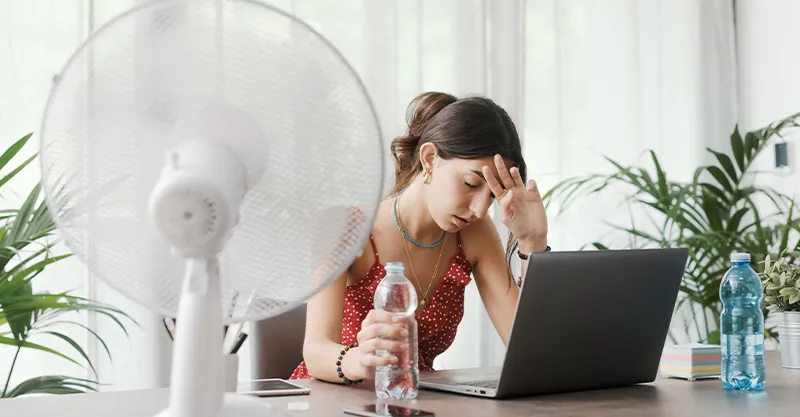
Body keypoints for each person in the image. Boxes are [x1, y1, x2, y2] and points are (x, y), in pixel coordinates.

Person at [290, 91, 549, 384]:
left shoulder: (474, 233)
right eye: (470, 183)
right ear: (429, 159)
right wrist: (360, 360)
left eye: (492, 194)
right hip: (335, 397)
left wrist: (532, 243)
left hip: (415, 399)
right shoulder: (347, 226)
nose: (479, 209)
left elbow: (525, 348)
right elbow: (316, 350)